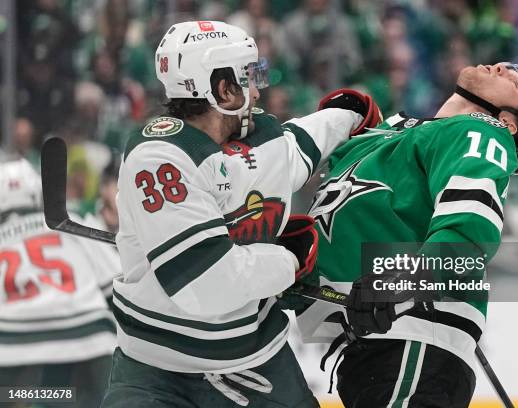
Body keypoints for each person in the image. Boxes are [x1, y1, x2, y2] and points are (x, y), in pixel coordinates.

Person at [101, 21, 381, 408]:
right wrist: (289, 259)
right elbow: (206, 286)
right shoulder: (160, 160)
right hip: (156, 372)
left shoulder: (257, 137)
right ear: (222, 89)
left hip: (258, 361)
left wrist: (348, 114)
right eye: (250, 77)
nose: (257, 89)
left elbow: (298, 146)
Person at [297, 62, 518, 407]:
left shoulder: (479, 131)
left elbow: (469, 236)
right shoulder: (385, 138)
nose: (500, 67)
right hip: (378, 345)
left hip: (413, 340)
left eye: (516, 82)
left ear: (509, 123)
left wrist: (400, 280)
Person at [0, 159, 120, 408]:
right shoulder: (69, 222)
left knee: (18, 396)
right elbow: (116, 286)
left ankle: (47, 401)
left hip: (12, 344)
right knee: (101, 398)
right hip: (88, 336)